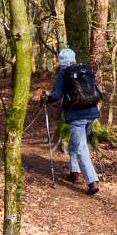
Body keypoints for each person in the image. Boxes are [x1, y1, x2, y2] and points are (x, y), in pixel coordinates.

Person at [47, 46, 102, 195]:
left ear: (61, 62)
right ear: (74, 59)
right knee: (74, 144)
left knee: (80, 148)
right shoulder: (85, 70)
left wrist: (46, 98)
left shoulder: (64, 73)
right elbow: (98, 91)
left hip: (77, 116)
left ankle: (92, 181)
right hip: (92, 113)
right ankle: (74, 172)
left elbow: (56, 95)